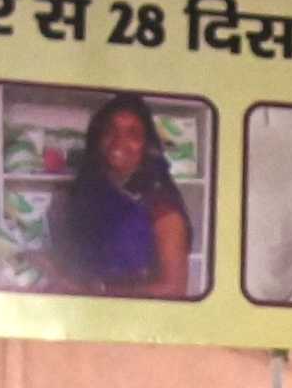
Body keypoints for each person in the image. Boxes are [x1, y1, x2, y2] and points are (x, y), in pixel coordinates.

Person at [46, 94, 193, 296]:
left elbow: (174, 289)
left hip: (138, 314)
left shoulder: (161, 205)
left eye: (133, 134)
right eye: (110, 131)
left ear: (146, 145)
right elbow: (81, 264)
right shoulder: (88, 194)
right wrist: (50, 265)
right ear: (97, 139)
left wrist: (98, 291)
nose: (119, 141)